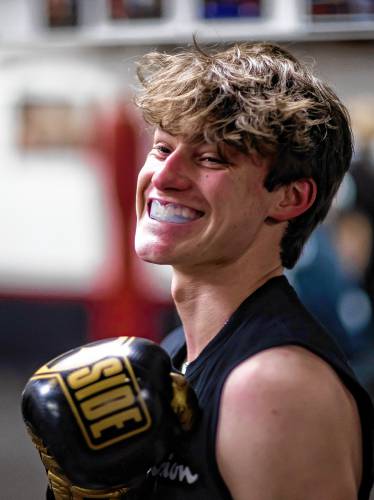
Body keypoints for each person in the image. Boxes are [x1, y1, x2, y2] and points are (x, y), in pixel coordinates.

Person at [134, 41, 374, 499]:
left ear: (288, 198)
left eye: (211, 158)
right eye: (163, 148)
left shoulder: (272, 389)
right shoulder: (181, 351)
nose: (164, 177)